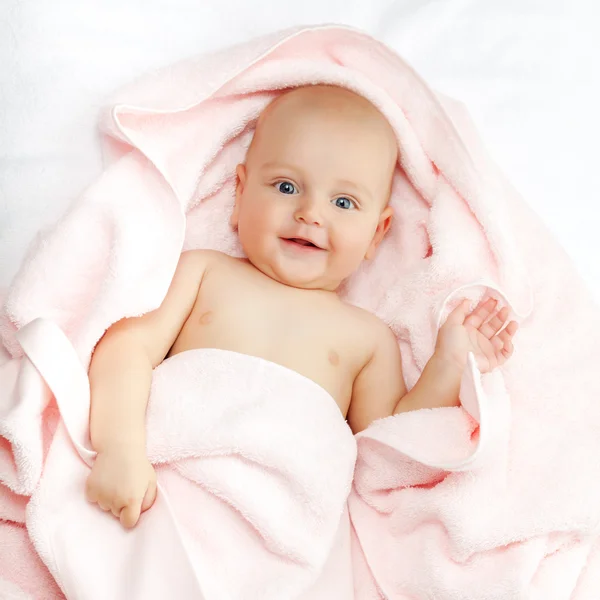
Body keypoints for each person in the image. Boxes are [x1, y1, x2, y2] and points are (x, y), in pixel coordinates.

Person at [85, 84, 518, 529]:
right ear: (240, 193)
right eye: (287, 186)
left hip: (283, 523)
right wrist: (120, 448)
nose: (311, 213)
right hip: (162, 494)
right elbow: (126, 349)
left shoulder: (368, 338)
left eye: (344, 202)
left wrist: (448, 362)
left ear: (376, 234)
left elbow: (388, 446)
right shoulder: (203, 273)